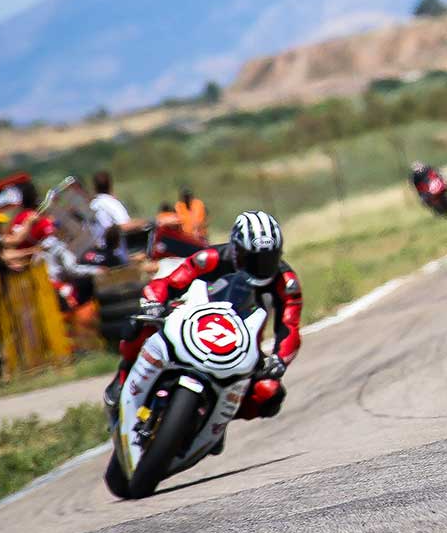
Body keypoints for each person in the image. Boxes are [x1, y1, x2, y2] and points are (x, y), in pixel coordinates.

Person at [103, 210, 302, 425]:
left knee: (269, 392)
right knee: (141, 325)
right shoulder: (211, 258)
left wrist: (279, 360)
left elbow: (289, 327)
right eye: (251, 258)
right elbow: (169, 283)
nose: (261, 266)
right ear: (236, 249)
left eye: (269, 258)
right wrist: (154, 303)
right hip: (195, 323)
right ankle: (123, 378)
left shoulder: (286, 283)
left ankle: (213, 421)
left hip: (241, 347)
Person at [89, 170, 130, 252]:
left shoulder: (92, 205)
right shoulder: (110, 202)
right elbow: (125, 225)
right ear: (110, 184)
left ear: (94, 187)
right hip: (116, 251)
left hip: (99, 251)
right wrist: (146, 222)